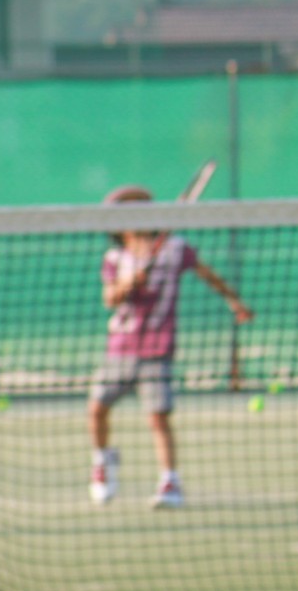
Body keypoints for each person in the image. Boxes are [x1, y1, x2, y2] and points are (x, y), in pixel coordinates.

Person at [89, 184, 253, 509]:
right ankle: (103, 464)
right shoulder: (115, 258)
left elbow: (208, 275)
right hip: (120, 348)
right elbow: (109, 298)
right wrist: (129, 283)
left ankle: (169, 482)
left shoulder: (175, 248)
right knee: (96, 409)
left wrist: (234, 301)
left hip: (157, 349)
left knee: (158, 417)